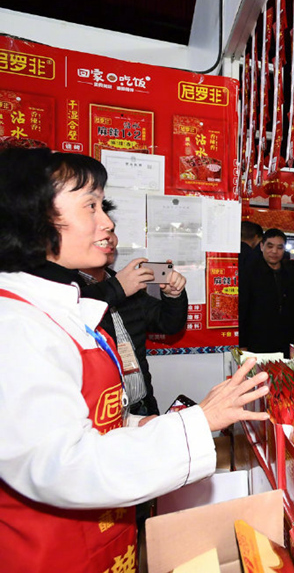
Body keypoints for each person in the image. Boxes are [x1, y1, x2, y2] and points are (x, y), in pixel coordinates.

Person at [0, 148, 269, 572]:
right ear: (31, 217)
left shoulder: (55, 307)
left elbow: (86, 420)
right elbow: (62, 466)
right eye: (90, 205)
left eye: (103, 205)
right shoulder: (15, 325)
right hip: (47, 553)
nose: (106, 222)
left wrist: (150, 423)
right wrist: (198, 423)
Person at [78, 200, 188, 416]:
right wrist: (117, 288)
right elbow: (76, 313)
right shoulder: (67, 289)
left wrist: (173, 295)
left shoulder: (125, 284)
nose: (108, 236)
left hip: (142, 408)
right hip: (99, 418)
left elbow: (169, 324)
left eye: (111, 229)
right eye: (97, 229)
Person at [239, 228, 294, 357]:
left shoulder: (292, 273)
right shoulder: (250, 273)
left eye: (279, 247)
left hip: (286, 341)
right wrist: (243, 343)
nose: (274, 251)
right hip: (258, 341)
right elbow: (243, 309)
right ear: (261, 246)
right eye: (270, 246)